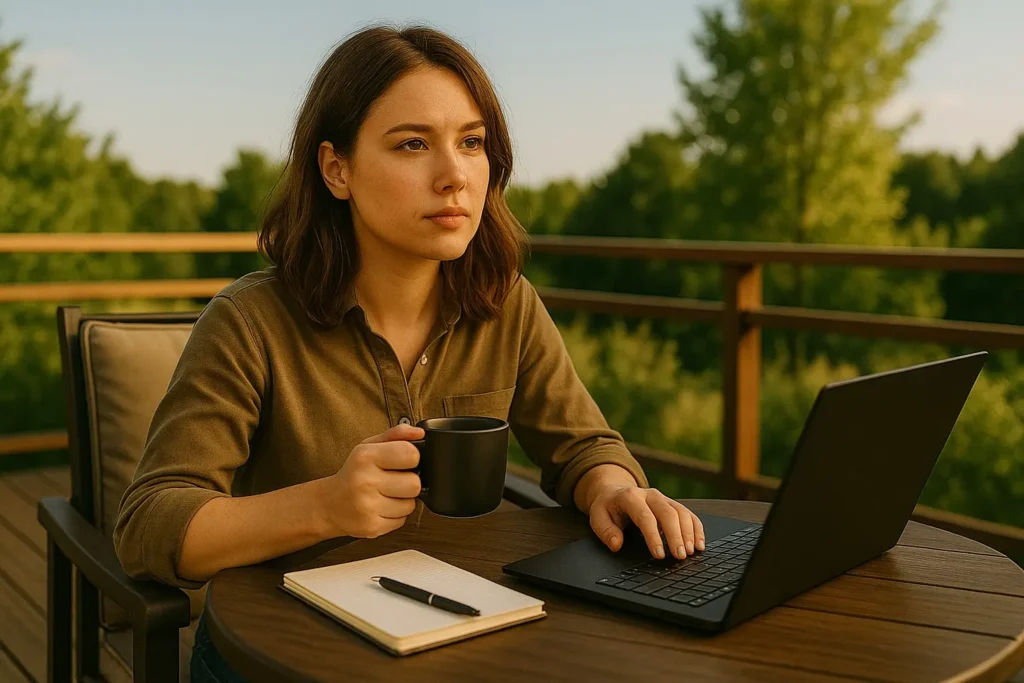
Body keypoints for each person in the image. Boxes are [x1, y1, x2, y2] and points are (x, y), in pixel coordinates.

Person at [113, 23, 705, 682]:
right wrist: (326, 505)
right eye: (413, 144)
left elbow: (582, 444)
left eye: (472, 142)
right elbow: (148, 524)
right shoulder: (250, 321)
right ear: (337, 169)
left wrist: (615, 488)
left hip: (464, 639)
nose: (453, 175)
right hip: (279, 653)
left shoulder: (507, 304)